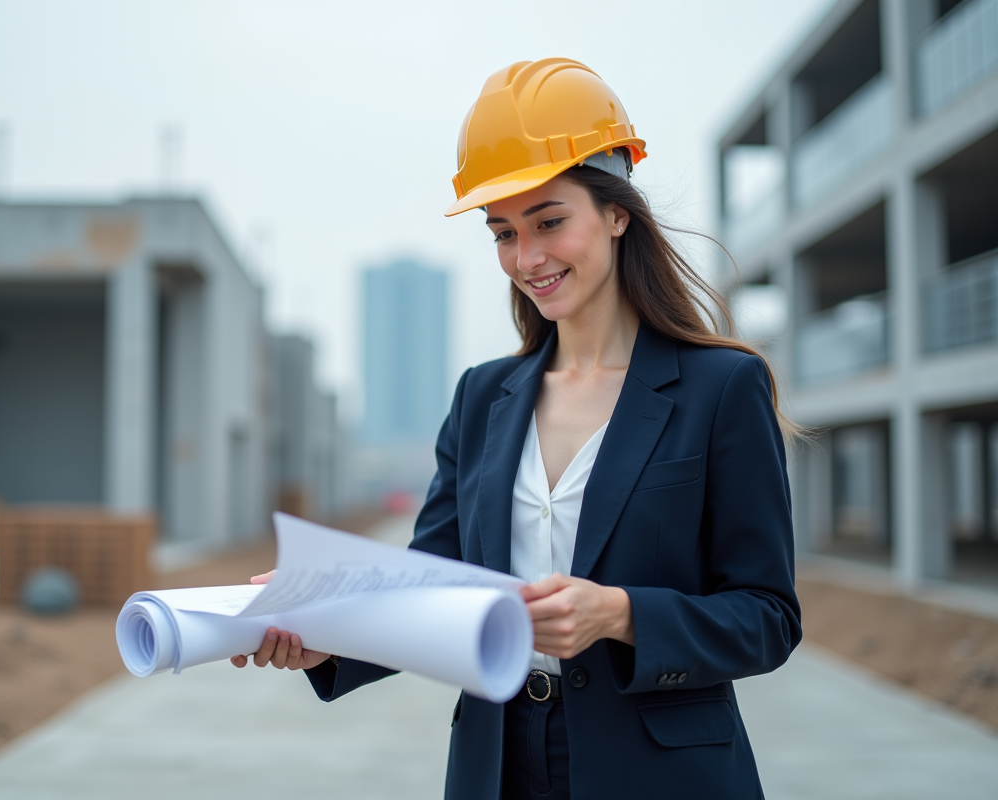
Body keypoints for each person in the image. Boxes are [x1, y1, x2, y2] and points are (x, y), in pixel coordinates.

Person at [232, 58, 801, 799]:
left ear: (617, 211)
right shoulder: (482, 398)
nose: (526, 258)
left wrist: (623, 615)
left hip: (661, 770)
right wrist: (322, 633)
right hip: (496, 762)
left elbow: (766, 616)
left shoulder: (720, 388)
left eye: (550, 221)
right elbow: (432, 589)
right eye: (503, 232)